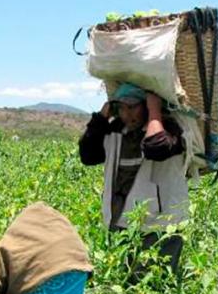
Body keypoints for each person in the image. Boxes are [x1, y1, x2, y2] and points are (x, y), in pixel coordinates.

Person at [79, 82, 189, 280]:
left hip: (160, 225)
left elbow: (156, 148)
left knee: (155, 285)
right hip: (122, 221)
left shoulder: (170, 128)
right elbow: (88, 155)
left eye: (133, 107)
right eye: (121, 107)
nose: (127, 114)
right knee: (124, 281)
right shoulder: (116, 131)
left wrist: (154, 112)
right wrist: (102, 115)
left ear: (146, 106)